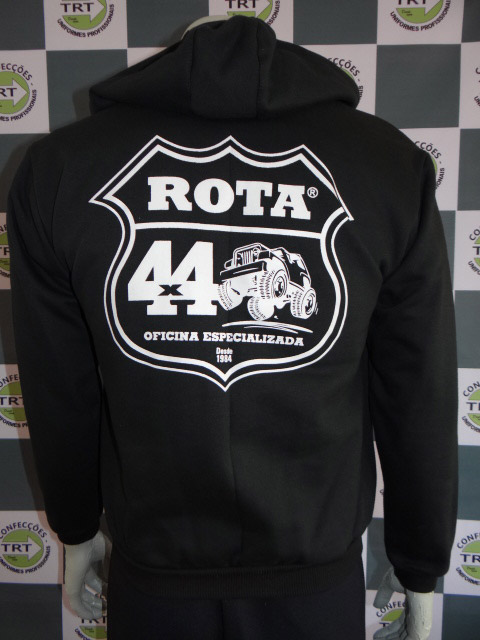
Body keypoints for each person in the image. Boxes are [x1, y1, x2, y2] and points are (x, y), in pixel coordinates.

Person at [7, 13, 458, 640]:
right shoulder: (386, 164)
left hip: (156, 574)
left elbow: (61, 387)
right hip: (313, 583)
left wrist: (77, 529)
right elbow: (418, 390)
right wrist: (420, 562)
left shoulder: (60, 168)